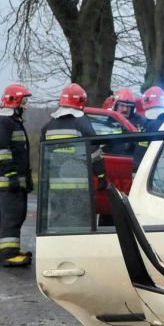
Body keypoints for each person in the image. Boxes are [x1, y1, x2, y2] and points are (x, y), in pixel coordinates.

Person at [40, 83, 106, 230]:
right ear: (81, 101)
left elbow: (44, 156)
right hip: (78, 185)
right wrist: (101, 175)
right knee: (79, 224)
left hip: (56, 185)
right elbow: (94, 152)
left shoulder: (48, 126)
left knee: (58, 223)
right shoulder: (82, 123)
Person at [0, 83, 33, 267]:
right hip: (10, 179)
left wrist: (25, 178)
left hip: (11, 179)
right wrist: (12, 175)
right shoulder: (3, 122)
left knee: (6, 214)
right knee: (13, 214)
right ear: (14, 101)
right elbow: (1, 152)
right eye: (24, 101)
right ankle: (8, 253)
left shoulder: (10, 122)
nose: (26, 106)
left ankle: (1, 248)